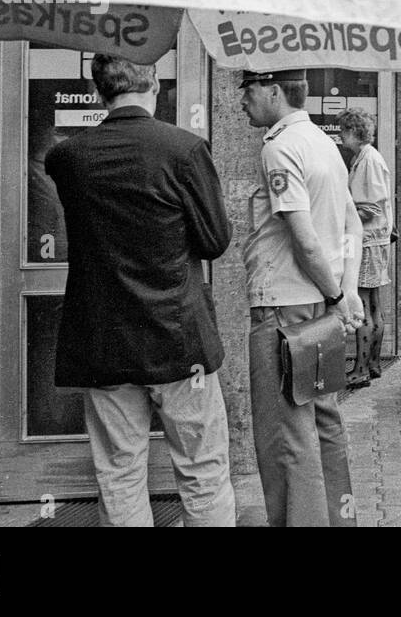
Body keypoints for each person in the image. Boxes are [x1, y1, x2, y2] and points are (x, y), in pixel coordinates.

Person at [47, 55, 235, 526]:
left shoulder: (67, 156)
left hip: (104, 338)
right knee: (202, 471)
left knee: (119, 473)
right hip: (178, 336)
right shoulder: (185, 149)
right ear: (154, 84)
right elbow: (215, 241)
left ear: (98, 93)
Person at [241, 69, 363, 527]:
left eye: (249, 89)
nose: (243, 99)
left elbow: (304, 239)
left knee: (285, 432)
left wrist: (338, 295)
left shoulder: (280, 147)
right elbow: (352, 224)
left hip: (283, 304)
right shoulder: (325, 144)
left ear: (274, 90)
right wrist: (345, 290)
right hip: (317, 305)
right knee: (323, 418)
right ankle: (338, 519)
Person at [339, 108, 392, 390]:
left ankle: (360, 368)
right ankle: (372, 364)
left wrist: (343, 219)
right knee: (374, 304)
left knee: (363, 306)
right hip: (377, 240)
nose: (340, 135)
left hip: (369, 240)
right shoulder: (367, 157)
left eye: (343, 130)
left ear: (353, 132)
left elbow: (370, 207)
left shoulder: (368, 160)